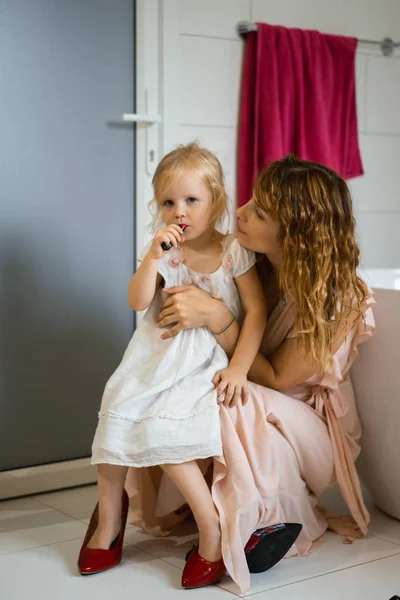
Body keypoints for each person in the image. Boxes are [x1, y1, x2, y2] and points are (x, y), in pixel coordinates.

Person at [123, 155, 375, 594]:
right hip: (250, 392)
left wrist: (218, 318)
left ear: (294, 233)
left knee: (230, 398)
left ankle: (259, 521)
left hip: (306, 423)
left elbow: (276, 379)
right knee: (176, 388)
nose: (240, 211)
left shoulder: (339, 296)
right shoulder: (248, 262)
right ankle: (228, 519)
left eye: (259, 212)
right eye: (252, 200)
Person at [77, 143, 268, 586]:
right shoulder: (164, 252)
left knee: (167, 429)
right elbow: (137, 301)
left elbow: (255, 313)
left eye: (191, 200)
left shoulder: (232, 251)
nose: (179, 211)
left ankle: (211, 528)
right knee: (114, 414)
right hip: (152, 355)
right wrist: (152, 257)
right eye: (168, 202)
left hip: (201, 359)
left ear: (216, 201)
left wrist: (238, 368)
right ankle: (108, 522)